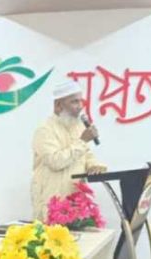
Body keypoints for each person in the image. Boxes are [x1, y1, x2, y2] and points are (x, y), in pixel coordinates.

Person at [31, 80, 107, 220]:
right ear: (58, 105)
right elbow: (55, 162)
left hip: (75, 203)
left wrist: (93, 165)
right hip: (51, 204)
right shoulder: (44, 130)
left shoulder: (79, 127)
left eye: (81, 101)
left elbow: (85, 154)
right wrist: (82, 141)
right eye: (74, 102)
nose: (80, 106)